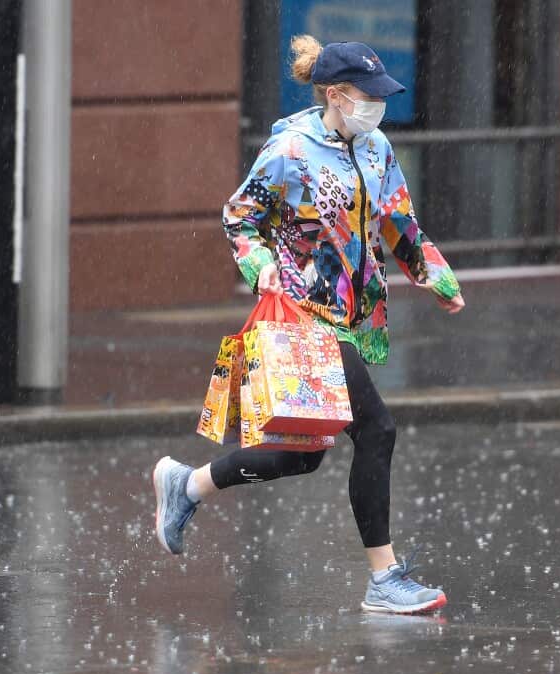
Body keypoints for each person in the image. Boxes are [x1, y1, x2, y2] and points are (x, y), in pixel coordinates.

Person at [151, 35, 465, 615]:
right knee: (377, 430)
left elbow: (400, 224)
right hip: (302, 317)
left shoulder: (376, 149)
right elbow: (239, 216)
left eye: (379, 97)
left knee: (305, 454)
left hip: (351, 316)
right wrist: (261, 265)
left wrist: (435, 275)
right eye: (366, 97)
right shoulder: (291, 150)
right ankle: (384, 579)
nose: (376, 106)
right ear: (337, 95)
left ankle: (186, 486)